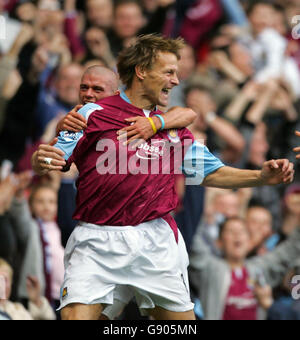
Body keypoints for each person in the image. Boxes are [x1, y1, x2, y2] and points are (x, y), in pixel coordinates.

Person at [32, 34, 294, 321]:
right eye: (169, 72)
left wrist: (260, 177)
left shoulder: (174, 128)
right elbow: (50, 155)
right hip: (97, 239)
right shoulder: (92, 113)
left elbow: (211, 173)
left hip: (155, 240)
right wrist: (42, 159)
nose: (176, 80)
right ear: (142, 71)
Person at [189, 216, 300, 320]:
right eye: (231, 231)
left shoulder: (260, 267)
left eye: (242, 231)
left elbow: (289, 250)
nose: (237, 235)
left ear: (249, 240)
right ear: (220, 242)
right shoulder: (209, 268)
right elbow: (192, 237)